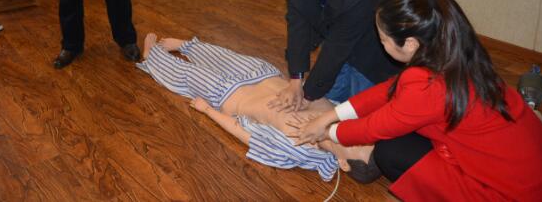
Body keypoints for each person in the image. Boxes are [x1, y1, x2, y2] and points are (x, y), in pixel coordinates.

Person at [291, 0, 542, 201]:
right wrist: (329, 116)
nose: (381, 44)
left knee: (389, 151)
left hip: (510, 194)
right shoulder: (449, 54)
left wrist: (326, 132)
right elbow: (389, 91)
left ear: (409, 43)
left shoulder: (428, 86)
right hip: (532, 177)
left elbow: (373, 128)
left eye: (383, 39)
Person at [136, 33, 374, 181]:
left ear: (343, 163)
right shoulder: (339, 113)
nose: (354, 135)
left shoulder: (302, 149)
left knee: (187, 74)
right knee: (224, 56)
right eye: (363, 136)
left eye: (356, 145)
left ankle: (153, 57)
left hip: (228, 95)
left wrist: (208, 111)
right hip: (262, 74)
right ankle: (187, 46)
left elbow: (248, 136)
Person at [269, 0, 400, 112]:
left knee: (359, 111)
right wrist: (296, 79)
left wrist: (308, 95)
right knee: (326, 95)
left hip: (369, 51)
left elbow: (337, 48)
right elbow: (297, 22)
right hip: (334, 35)